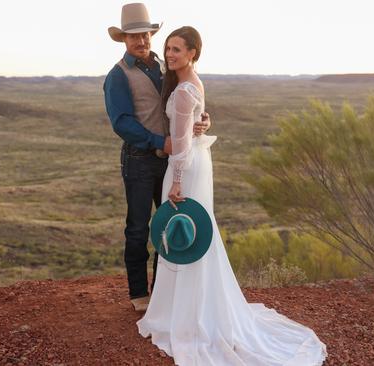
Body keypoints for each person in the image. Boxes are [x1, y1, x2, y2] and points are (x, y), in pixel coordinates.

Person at [137, 26, 328, 365]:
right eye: (168, 49)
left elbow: (180, 144)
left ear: (193, 52)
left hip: (186, 167)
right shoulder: (193, 82)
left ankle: (181, 314)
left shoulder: (182, 90)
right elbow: (193, 123)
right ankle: (196, 307)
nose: (170, 54)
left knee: (182, 229)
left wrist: (176, 180)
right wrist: (202, 121)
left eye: (177, 49)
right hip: (200, 162)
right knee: (196, 231)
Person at [104, 3, 210, 312]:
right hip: (139, 159)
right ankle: (139, 294)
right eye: (133, 37)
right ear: (124, 38)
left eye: (145, 35)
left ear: (151, 34)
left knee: (168, 223)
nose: (141, 42)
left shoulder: (166, 67)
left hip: (169, 161)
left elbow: (188, 102)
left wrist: (202, 119)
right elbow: (121, 123)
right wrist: (159, 140)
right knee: (138, 227)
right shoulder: (118, 75)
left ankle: (163, 289)